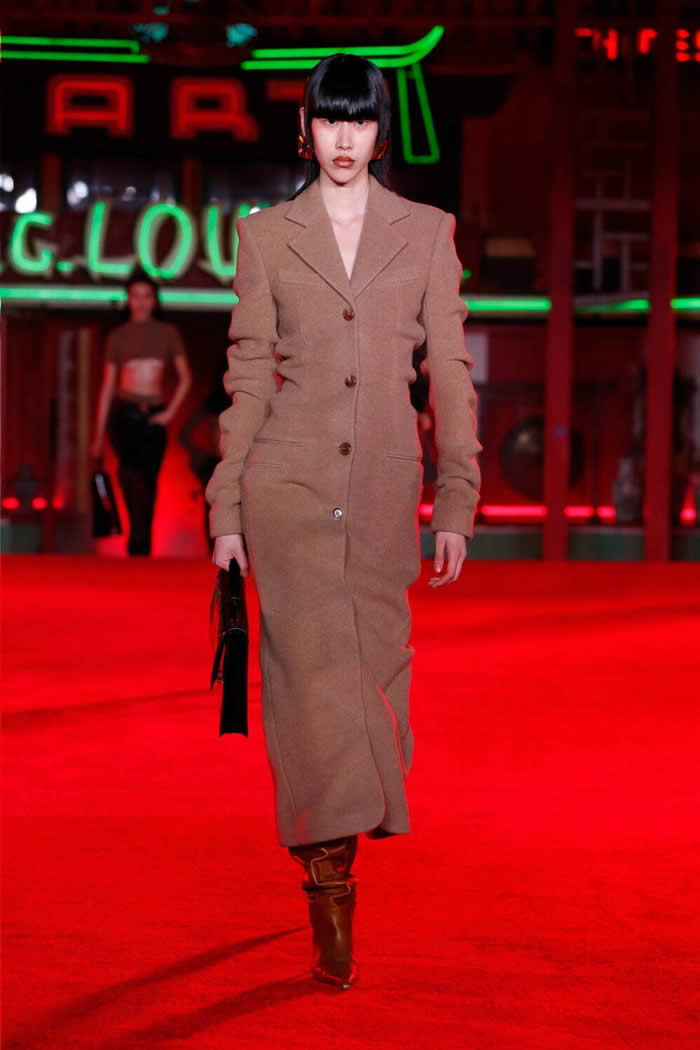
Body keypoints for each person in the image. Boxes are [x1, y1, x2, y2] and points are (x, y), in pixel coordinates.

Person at [206, 54, 481, 989]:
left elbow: (450, 372)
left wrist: (457, 492)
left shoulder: (429, 232)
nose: (344, 138)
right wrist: (227, 503)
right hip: (286, 487)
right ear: (305, 130)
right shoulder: (265, 236)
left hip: (382, 497)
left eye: (359, 121)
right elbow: (248, 375)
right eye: (330, 120)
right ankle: (330, 888)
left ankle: (334, 841)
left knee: (373, 695)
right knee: (310, 691)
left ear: (380, 131)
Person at [91, 272, 192, 556]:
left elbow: (186, 378)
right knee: (130, 475)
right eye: (135, 296)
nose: (141, 302)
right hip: (125, 414)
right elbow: (107, 388)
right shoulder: (118, 336)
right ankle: (138, 542)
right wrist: (97, 437)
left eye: (147, 296)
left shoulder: (168, 332)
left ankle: (141, 541)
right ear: (128, 299)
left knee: (149, 480)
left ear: (155, 300)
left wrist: (169, 413)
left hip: (153, 415)